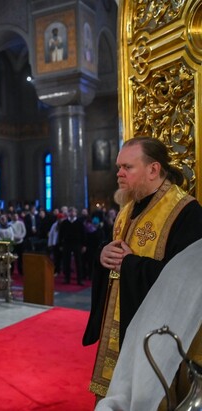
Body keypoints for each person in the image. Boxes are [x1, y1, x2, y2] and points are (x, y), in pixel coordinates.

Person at [83, 137, 202, 400]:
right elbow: (117, 255)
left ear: (153, 169)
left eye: (127, 167)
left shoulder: (186, 212)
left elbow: (188, 282)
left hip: (158, 334)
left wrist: (130, 264)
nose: (119, 174)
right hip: (120, 323)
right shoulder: (127, 208)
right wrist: (103, 255)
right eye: (118, 167)